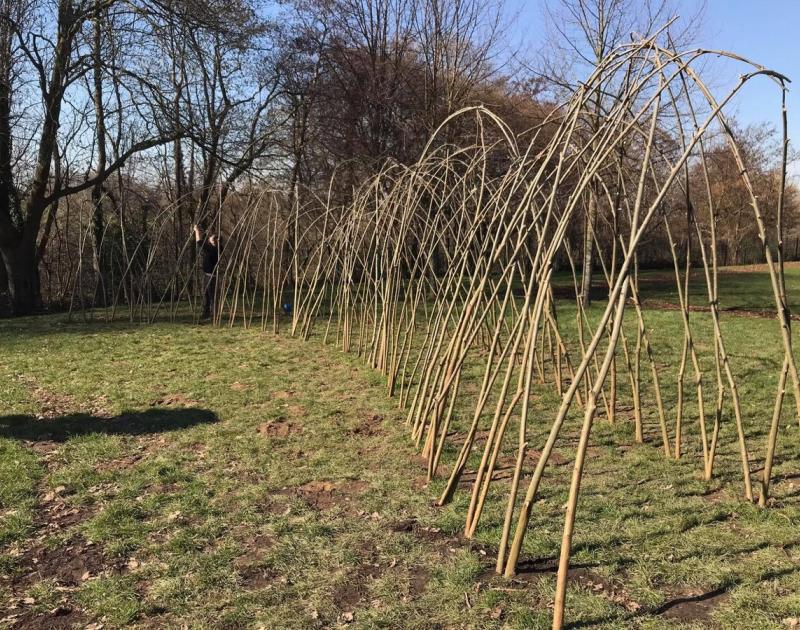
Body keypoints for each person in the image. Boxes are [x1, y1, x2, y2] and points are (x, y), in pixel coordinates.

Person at [194, 224, 219, 319]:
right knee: (207, 294)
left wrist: (196, 231)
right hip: (208, 275)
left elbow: (199, 242)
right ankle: (208, 313)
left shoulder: (213, 249)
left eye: (212, 239)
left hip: (211, 276)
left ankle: (213, 314)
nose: (209, 240)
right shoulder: (215, 248)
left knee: (211, 295)